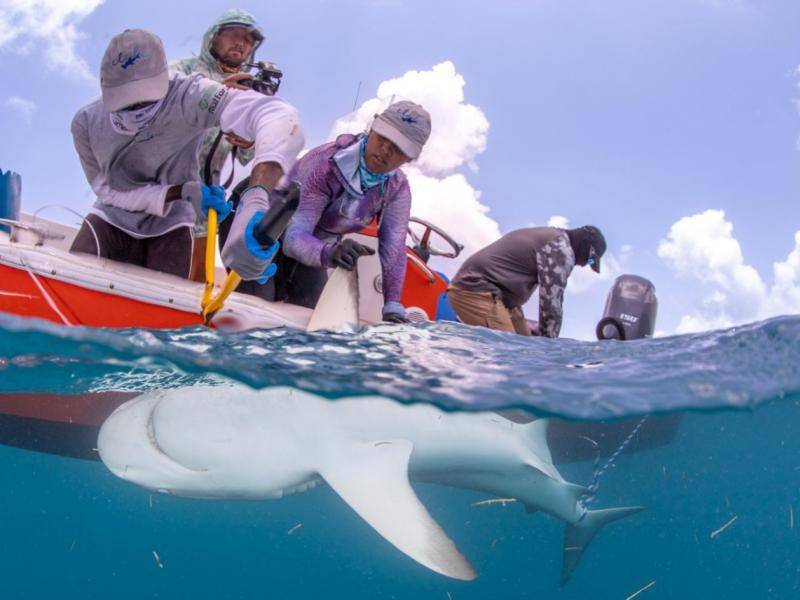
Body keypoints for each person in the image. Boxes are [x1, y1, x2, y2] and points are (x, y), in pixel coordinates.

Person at [70, 29, 304, 280]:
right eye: (126, 101)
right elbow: (107, 191)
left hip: (174, 223)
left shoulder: (189, 94)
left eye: (145, 100)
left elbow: (279, 116)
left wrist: (256, 197)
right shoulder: (85, 123)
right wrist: (178, 191)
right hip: (109, 218)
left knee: (163, 308)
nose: (137, 109)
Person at [272, 101, 432, 323]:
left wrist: (393, 307)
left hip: (317, 250)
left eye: (398, 148)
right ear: (372, 128)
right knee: (257, 306)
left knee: (314, 321)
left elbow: (394, 250)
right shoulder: (324, 164)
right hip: (267, 239)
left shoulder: (397, 189)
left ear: (410, 158)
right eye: (382, 137)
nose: (386, 149)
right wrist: (331, 252)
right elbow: (293, 236)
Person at [170, 9, 276, 281]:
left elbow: (245, 157)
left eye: (249, 40)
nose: (241, 44)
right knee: (157, 273)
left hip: (208, 202)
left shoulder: (249, 90)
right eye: (234, 35)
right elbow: (159, 102)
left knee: (196, 284)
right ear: (214, 37)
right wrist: (218, 90)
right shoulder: (184, 69)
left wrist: (249, 138)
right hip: (166, 190)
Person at [447, 226, 607, 338]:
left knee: (524, 349)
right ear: (587, 248)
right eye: (591, 260)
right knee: (509, 352)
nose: (584, 264)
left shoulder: (553, 236)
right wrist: (549, 349)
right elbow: (551, 303)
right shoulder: (561, 249)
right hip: (476, 289)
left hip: (503, 300)